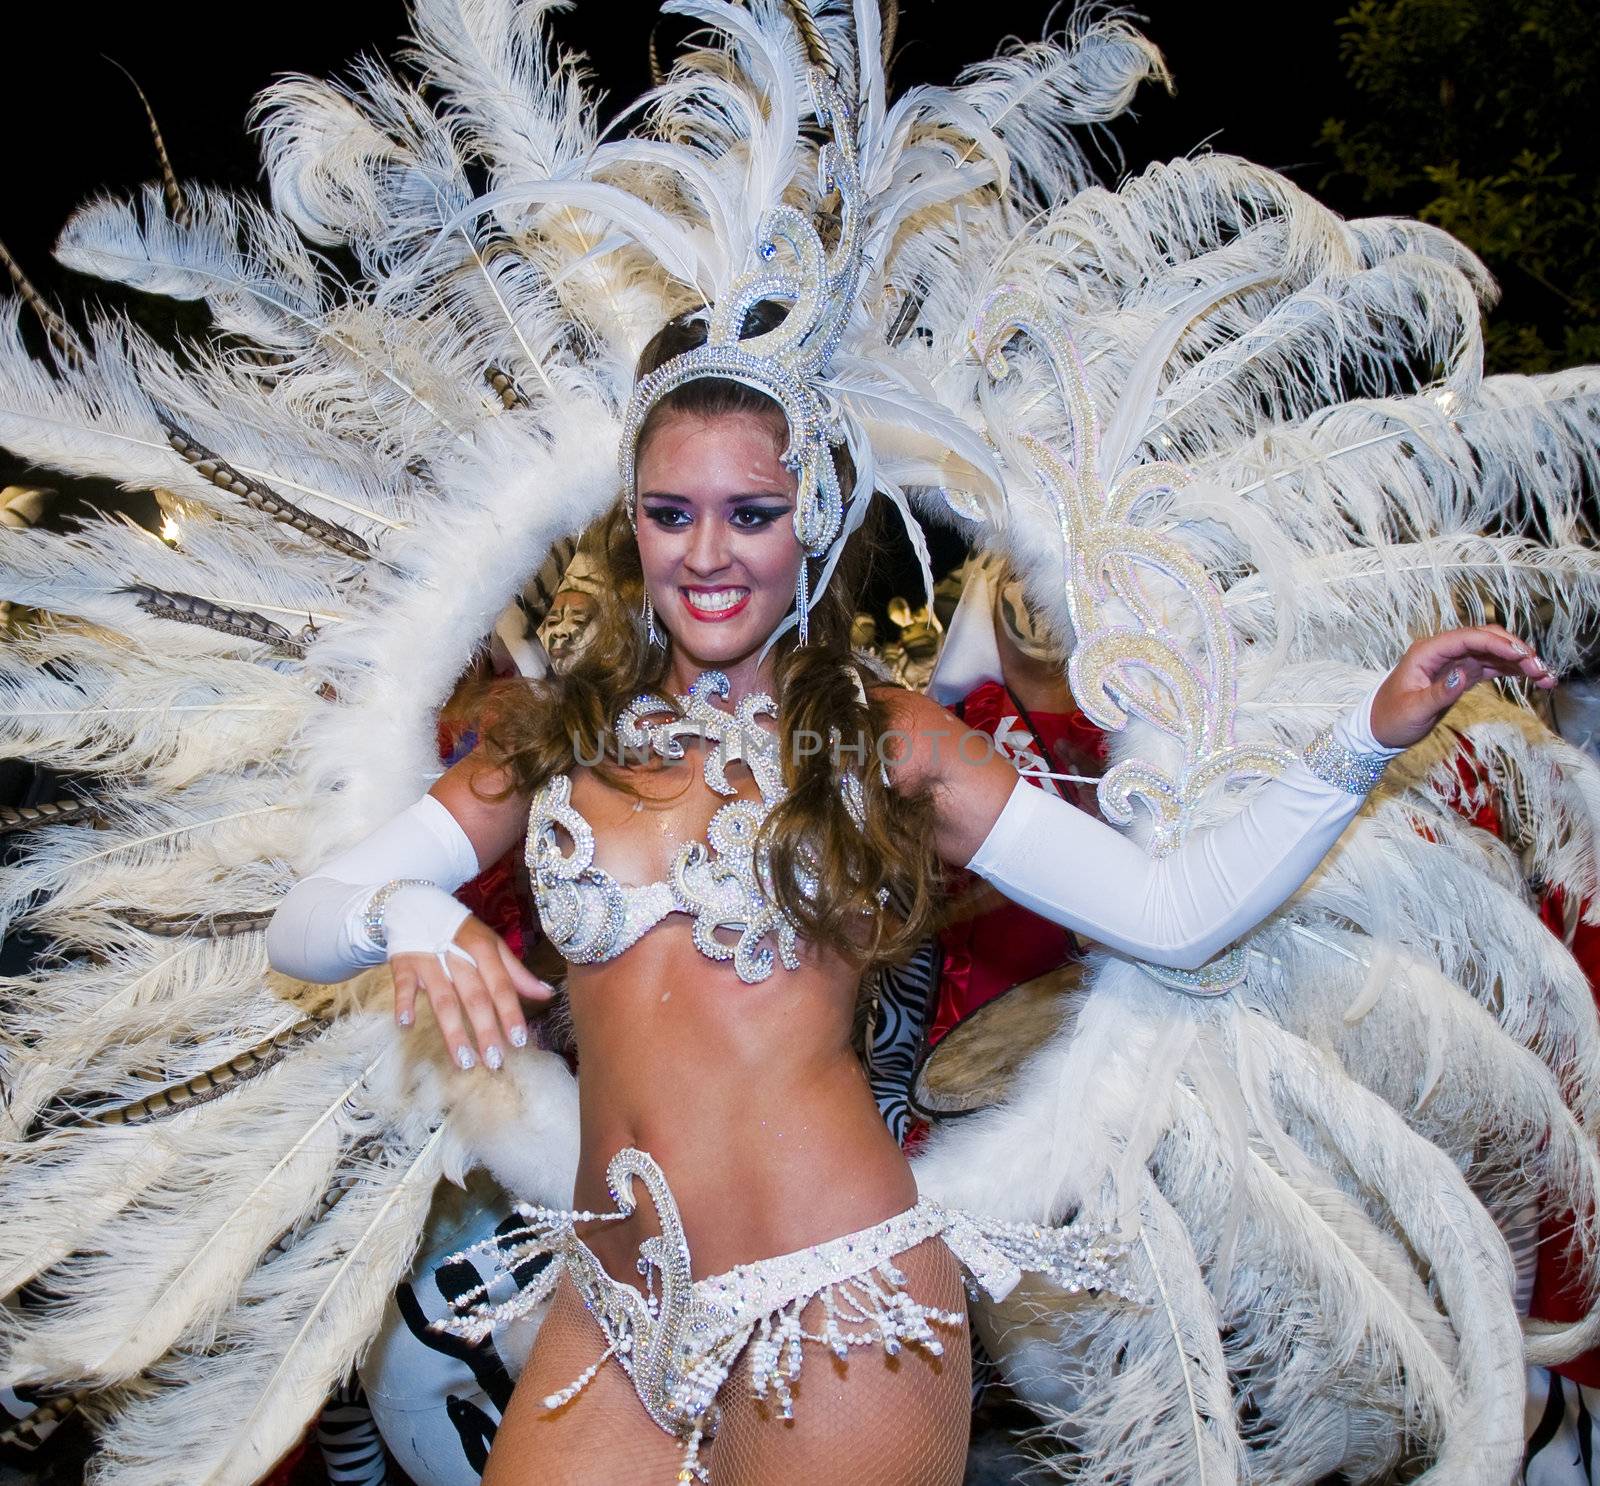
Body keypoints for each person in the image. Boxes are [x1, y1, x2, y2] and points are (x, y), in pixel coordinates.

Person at [264, 304, 1554, 1483]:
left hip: (841, 1301)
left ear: (812, 522)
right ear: (631, 520)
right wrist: (411, 914)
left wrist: (1361, 740)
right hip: (613, 1304)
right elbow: (306, 922)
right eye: (671, 513)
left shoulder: (889, 738)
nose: (708, 554)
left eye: (752, 515)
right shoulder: (554, 736)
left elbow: (1173, 913)